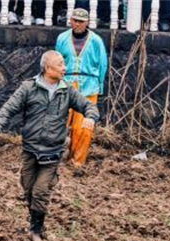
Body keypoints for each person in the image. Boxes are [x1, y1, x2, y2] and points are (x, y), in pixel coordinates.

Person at [0, 50, 99, 241]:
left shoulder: (67, 90)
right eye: (60, 65)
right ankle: (37, 222)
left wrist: (90, 117)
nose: (65, 68)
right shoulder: (29, 87)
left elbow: (89, 106)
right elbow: (9, 107)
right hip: (30, 148)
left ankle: (36, 230)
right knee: (28, 188)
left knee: (41, 191)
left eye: (64, 64)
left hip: (53, 151)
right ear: (48, 68)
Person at [55, 7, 107, 166]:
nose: (77, 24)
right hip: (66, 84)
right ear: (70, 20)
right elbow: (56, 61)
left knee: (84, 127)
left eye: (81, 21)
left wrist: (100, 86)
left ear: (87, 23)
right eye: (74, 20)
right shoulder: (62, 38)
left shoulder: (96, 41)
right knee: (58, 122)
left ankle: (77, 161)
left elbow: (102, 64)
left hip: (89, 86)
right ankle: (56, 157)